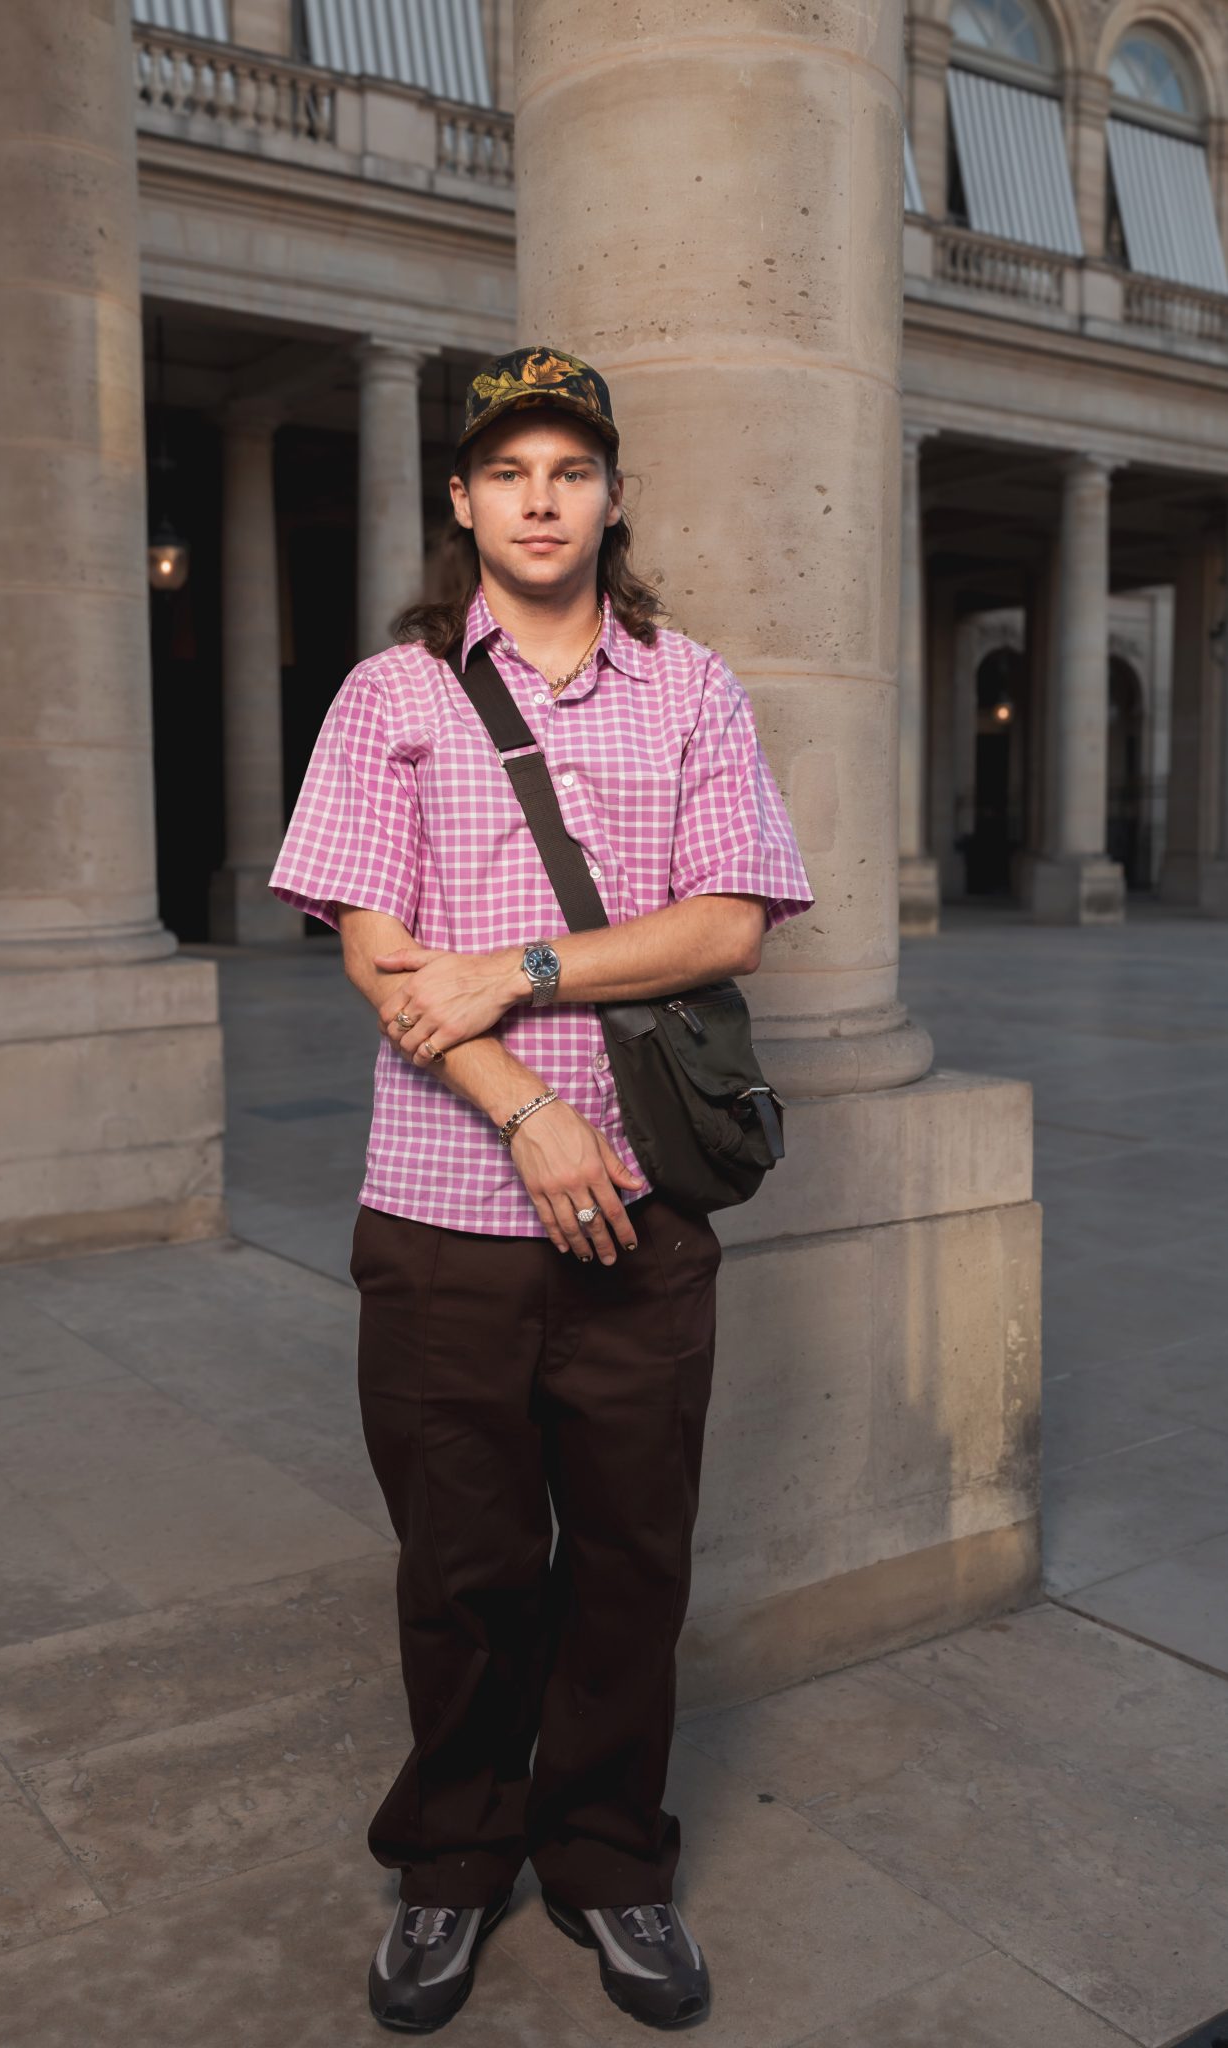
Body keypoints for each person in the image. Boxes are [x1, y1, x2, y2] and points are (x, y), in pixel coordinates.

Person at [269, 345, 814, 2033]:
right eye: (508, 471)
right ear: (462, 498)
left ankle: (608, 1861)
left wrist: (514, 966)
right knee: (466, 1565)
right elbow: (375, 945)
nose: (539, 499)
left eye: (569, 470)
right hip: (446, 1214)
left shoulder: (693, 688)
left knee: (636, 1559)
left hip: (648, 1221)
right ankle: (450, 1866)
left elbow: (728, 918)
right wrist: (523, 1111)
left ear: (612, 493)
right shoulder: (396, 696)